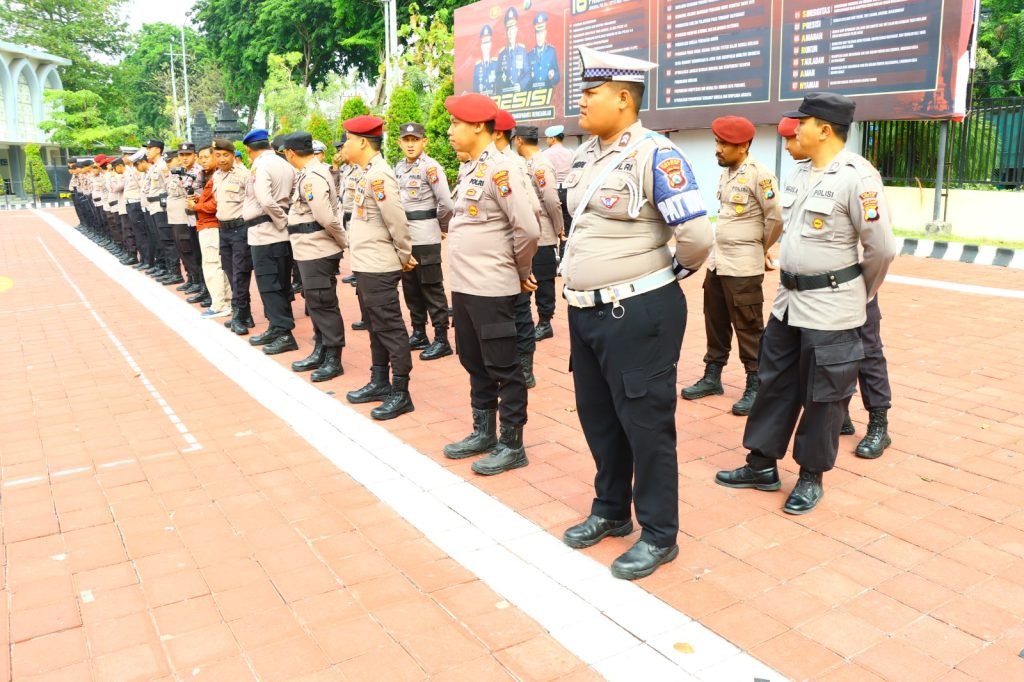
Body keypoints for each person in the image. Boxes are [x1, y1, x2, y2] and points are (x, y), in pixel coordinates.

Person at [559, 46, 714, 580]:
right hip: (587, 312)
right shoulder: (587, 156)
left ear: (624, 98)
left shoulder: (657, 155)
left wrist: (664, 278)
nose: (581, 101)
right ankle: (610, 510)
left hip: (638, 311)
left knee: (646, 426)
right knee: (599, 418)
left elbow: (696, 237)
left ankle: (659, 534)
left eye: (592, 93)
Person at [715, 92, 899, 515]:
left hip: (831, 307)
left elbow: (882, 249)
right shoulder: (799, 173)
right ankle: (761, 464)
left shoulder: (857, 177)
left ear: (825, 129)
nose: (795, 129)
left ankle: (811, 476)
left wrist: (858, 292)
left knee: (824, 395)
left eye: (803, 122)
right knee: (774, 383)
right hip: (788, 304)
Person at [442, 93, 540, 475]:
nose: (450, 131)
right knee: (474, 361)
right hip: (466, 286)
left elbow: (527, 228)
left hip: (492, 287)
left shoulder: (503, 169)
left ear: (480, 126)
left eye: (456, 124)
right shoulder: (469, 168)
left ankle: (512, 444)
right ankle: (483, 433)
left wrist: (520, 271)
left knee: (504, 366)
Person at [682, 116, 782, 416]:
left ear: (744, 146)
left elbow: (775, 218)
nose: (718, 149)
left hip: (742, 268)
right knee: (715, 320)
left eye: (724, 144)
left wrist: (760, 248)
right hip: (718, 262)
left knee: (748, 326)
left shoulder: (760, 176)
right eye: (717, 142)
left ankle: (756, 383)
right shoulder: (727, 173)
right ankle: (712, 376)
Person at [342, 116, 417, 419]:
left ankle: (401, 391)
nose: (345, 145)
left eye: (348, 140)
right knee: (375, 326)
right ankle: (379, 381)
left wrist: (404, 254)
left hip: (379, 264)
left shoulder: (379, 176)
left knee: (390, 327)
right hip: (365, 263)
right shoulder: (365, 173)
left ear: (362, 142)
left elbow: (397, 220)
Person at [281, 131, 348, 382]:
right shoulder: (308, 173)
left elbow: (325, 217)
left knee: (323, 303)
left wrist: (341, 240)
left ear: (290, 153)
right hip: (308, 249)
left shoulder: (313, 176)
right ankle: (321, 349)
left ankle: (333, 358)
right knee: (315, 303)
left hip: (318, 249)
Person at [395, 122, 455, 361]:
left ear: (424, 142)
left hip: (425, 236)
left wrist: (441, 226)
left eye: (415, 140)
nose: (410, 145)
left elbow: (447, 203)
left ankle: (441, 339)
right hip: (405, 237)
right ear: (400, 142)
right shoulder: (399, 167)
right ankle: (419, 333)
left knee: (431, 288)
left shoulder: (431, 167)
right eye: (406, 140)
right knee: (411, 288)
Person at [493, 109, 542, 387]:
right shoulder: (484, 162)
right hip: (495, 253)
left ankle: (525, 367)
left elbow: (532, 210)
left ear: (497, 133)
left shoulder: (513, 164)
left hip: (514, 249)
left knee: (520, 310)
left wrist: (523, 257)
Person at [242, 128, 300, 355]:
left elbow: (265, 200)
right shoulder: (285, 164)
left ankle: (284, 333)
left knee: (269, 285)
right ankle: (276, 327)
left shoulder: (261, 165)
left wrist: (281, 220)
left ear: (249, 149)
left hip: (266, 232)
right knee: (281, 283)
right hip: (278, 234)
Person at [514, 125, 564, 342]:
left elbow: (551, 199)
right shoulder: (524, 163)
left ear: (518, 140)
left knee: (543, 280)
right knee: (525, 277)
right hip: (526, 233)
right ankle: (526, 321)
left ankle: (545, 322)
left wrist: (559, 227)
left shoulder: (541, 165)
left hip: (542, 232)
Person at [212, 138, 255, 335]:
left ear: (233, 155)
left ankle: (238, 314)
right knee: (230, 272)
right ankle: (246, 313)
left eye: (225, 155)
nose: (221, 159)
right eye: (218, 155)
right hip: (223, 229)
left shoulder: (244, 175)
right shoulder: (216, 176)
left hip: (240, 229)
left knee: (240, 273)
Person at [189, 146, 232, 319]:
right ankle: (225, 301)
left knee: (212, 265)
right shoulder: (209, 176)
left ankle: (220, 304)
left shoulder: (218, 177)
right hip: (207, 225)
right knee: (216, 265)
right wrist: (198, 201)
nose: (203, 160)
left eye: (207, 157)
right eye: (201, 157)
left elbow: (215, 204)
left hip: (211, 225)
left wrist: (196, 206)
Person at [175, 143, 209, 304]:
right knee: (196, 254)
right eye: (181, 155)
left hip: (201, 218)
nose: (184, 158)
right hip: (190, 219)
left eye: (187, 155)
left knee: (204, 256)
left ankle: (206, 289)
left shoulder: (199, 171)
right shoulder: (182, 172)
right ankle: (202, 286)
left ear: (195, 155)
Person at [498, 7, 529, 93]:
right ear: (506, 32)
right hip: (506, 95)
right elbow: (498, 77)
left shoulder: (522, 51)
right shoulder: (501, 54)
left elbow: (528, 73)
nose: (510, 33)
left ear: (516, 30)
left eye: (512, 29)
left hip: (519, 94)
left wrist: (520, 85)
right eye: (508, 30)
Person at [528, 12, 559, 89]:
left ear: (545, 33)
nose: (539, 37)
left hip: (547, 93)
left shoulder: (551, 52)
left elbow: (557, 77)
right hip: (534, 94)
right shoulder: (530, 55)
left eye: (541, 34)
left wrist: (553, 75)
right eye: (538, 34)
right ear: (535, 35)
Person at [473, 25, 499, 95]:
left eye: (488, 43)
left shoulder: (496, 63)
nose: (486, 47)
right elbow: (475, 89)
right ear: (481, 47)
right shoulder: (478, 66)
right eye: (484, 44)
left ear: (491, 45)